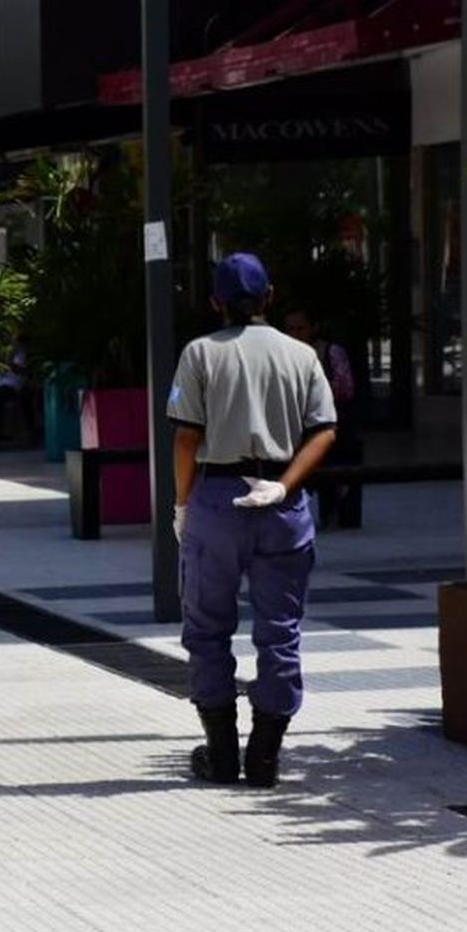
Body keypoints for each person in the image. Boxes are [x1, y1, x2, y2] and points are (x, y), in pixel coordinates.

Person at [168, 254, 336, 789]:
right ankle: (264, 756)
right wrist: (286, 485)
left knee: (207, 628)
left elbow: (186, 437)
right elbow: (324, 430)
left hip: (216, 497)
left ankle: (220, 754)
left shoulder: (199, 354)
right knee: (279, 632)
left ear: (215, 302)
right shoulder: (301, 355)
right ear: (269, 296)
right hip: (280, 503)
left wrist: (182, 503)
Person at [283, 308, 361, 527]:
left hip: (327, 424)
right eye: (290, 329)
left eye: (301, 328)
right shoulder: (282, 355)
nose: (295, 334)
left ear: (313, 328)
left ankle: (333, 509)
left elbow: (345, 388)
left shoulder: (331, 352)